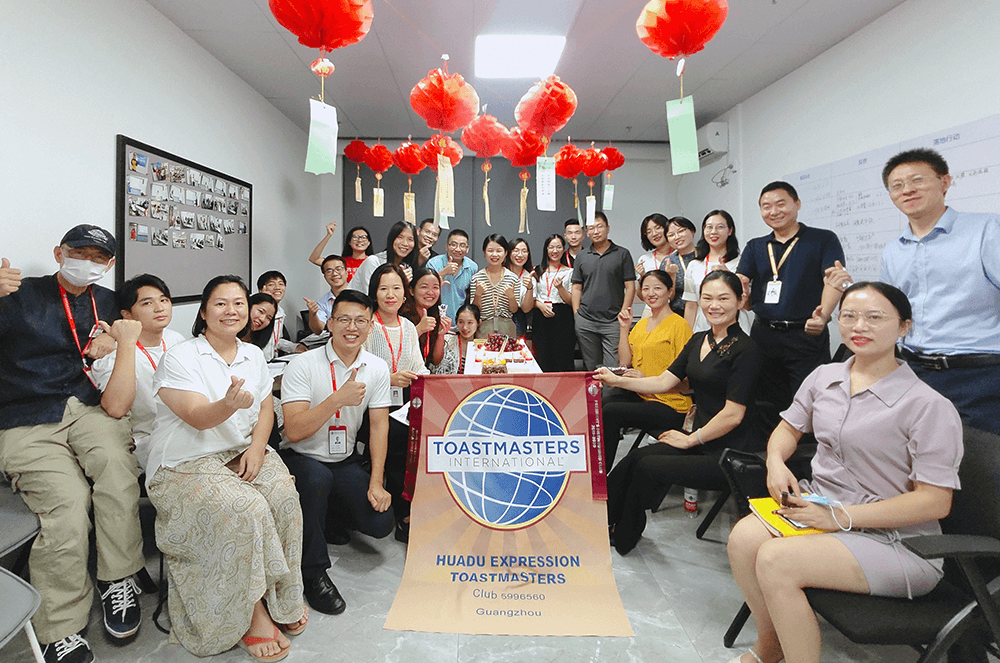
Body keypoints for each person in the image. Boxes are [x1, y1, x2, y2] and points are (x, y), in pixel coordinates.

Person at [725, 282, 962, 663]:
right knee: (742, 540)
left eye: (874, 317)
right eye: (849, 316)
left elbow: (935, 501)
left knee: (775, 560)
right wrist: (775, 462)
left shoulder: (928, 406)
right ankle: (772, 645)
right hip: (822, 508)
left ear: (904, 327)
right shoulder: (825, 377)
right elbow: (787, 429)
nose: (859, 326)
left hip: (898, 542)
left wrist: (840, 517)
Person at [0, 224, 145, 663]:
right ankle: (60, 624)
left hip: (85, 407)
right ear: (59, 252)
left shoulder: (106, 300)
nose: (88, 262)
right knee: (66, 503)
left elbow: (120, 335)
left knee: (118, 471)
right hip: (25, 416)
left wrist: (111, 338)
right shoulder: (17, 293)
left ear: (110, 265)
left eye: (98, 257)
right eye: (78, 252)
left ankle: (118, 578)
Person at [147, 275, 306, 660]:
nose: (231, 311)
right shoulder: (182, 357)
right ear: (203, 312)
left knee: (284, 495)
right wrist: (230, 405)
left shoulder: (253, 354)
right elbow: (199, 419)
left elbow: (267, 407)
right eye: (220, 303)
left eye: (238, 303)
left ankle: (283, 598)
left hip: (240, 449)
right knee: (245, 509)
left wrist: (256, 447)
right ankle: (252, 615)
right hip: (185, 459)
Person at [818, 148, 1000, 436]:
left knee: (977, 468)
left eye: (917, 180)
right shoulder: (894, 249)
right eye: (897, 186)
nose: (908, 190)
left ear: (945, 182)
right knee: (914, 458)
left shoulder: (987, 230)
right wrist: (851, 292)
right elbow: (893, 310)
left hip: (978, 375)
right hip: (915, 369)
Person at [596, 271, 761, 555]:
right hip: (698, 436)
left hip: (725, 451)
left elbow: (733, 415)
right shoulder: (699, 340)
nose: (714, 305)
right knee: (634, 459)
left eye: (723, 298)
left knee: (646, 467)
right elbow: (663, 381)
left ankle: (625, 534)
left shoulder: (746, 350)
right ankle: (601, 521)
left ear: (739, 300)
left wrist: (690, 439)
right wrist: (617, 380)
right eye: (707, 298)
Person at [280, 290, 394, 616]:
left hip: (344, 459)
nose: (351, 327)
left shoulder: (376, 367)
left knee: (380, 523)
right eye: (343, 319)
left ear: (370, 326)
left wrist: (376, 482)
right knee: (315, 480)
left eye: (360, 320)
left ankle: (327, 514)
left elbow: (379, 427)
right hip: (302, 456)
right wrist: (336, 399)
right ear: (330, 323)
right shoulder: (303, 364)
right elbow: (294, 430)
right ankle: (313, 572)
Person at [737, 182, 845, 441]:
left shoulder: (822, 239)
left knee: (809, 402)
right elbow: (742, 283)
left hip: (805, 334)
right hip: (764, 335)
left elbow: (834, 278)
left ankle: (807, 466)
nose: (773, 211)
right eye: (766, 206)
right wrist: (739, 291)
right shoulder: (755, 246)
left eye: (780, 203)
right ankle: (771, 461)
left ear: (797, 204)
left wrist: (823, 315)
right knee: (766, 401)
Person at [92, 273, 186, 473]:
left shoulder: (175, 339)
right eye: (147, 303)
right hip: (148, 440)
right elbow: (115, 408)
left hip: (185, 427)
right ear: (127, 314)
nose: (160, 308)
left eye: (164, 300)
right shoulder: (116, 355)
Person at [600, 270, 693, 465]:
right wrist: (624, 329)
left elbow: (687, 382)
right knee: (602, 403)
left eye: (657, 288)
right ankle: (596, 468)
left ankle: (602, 478)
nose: (651, 293)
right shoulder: (642, 324)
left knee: (611, 413)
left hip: (671, 404)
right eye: (646, 288)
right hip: (643, 395)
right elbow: (625, 363)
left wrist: (645, 378)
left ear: (670, 292)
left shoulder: (679, 326)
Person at [363, 263, 429, 542]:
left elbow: (419, 365)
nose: (390, 294)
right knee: (401, 441)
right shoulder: (367, 326)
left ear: (405, 295)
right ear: (374, 293)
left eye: (396, 288)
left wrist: (424, 381)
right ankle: (403, 513)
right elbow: (358, 372)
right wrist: (388, 379)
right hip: (374, 401)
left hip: (406, 399)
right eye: (383, 288)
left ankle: (416, 504)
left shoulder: (408, 327)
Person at [572, 212, 636, 370]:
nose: (595, 231)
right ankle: (594, 395)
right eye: (591, 228)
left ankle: (608, 396)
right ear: (587, 233)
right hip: (586, 321)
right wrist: (576, 314)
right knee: (592, 367)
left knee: (614, 367)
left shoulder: (622, 254)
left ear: (608, 228)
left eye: (599, 226)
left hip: (613, 321)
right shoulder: (582, 256)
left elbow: (630, 286)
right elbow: (576, 287)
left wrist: (623, 312)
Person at [683, 210, 752, 334]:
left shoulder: (742, 263)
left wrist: (731, 278)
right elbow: (691, 305)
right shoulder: (695, 265)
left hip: (736, 327)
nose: (713, 231)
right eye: (709, 227)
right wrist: (687, 336)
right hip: (702, 327)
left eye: (720, 227)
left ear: (730, 231)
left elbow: (747, 306)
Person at [531, 234, 576, 372]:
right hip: (540, 315)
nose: (554, 251)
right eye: (551, 247)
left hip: (562, 316)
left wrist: (560, 288)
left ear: (563, 249)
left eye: (558, 247)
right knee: (542, 355)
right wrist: (540, 305)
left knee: (562, 356)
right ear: (546, 249)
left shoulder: (570, 272)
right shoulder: (537, 271)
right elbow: (531, 298)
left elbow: (571, 301)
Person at [400, 266, 457, 373]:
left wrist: (440, 335)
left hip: (422, 377)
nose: (430, 292)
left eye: (435, 287)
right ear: (412, 291)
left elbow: (435, 361)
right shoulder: (402, 316)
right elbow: (397, 350)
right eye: (424, 287)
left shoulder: (434, 315)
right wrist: (419, 329)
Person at [349, 221, 419, 295]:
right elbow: (372, 296)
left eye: (410, 239)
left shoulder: (407, 268)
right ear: (392, 239)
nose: (405, 243)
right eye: (400, 237)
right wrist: (400, 281)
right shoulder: (373, 262)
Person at [471, 234, 520, 337]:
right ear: (484, 252)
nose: (494, 254)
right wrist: (478, 294)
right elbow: (475, 310)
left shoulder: (513, 278)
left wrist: (511, 296)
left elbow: (514, 310)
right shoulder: (477, 278)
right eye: (490, 250)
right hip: (484, 327)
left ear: (505, 253)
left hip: (507, 326)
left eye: (499, 251)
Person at [426, 228, 478, 320]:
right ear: (446, 246)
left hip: (461, 322)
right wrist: (444, 272)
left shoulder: (472, 267)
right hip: (436, 319)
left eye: (462, 245)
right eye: (453, 245)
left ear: (467, 249)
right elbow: (426, 287)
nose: (458, 249)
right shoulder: (433, 263)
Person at [634, 214, 673, 319]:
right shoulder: (644, 260)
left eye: (658, 228)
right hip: (650, 312)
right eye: (649, 232)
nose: (654, 234)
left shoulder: (679, 256)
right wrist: (642, 277)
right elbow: (641, 296)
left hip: (675, 310)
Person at [304, 254, 349, 335]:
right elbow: (318, 330)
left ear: (346, 272)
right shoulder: (323, 301)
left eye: (338, 269)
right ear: (324, 276)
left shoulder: (360, 294)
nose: (334, 273)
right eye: (329, 271)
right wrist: (313, 314)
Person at [662, 215, 698, 316]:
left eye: (681, 231)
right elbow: (668, 297)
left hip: (707, 312)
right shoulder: (668, 261)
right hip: (678, 315)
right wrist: (671, 276)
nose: (677, 237)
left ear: (692, 231)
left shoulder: (705, 256)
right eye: (671, 235)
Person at [257, 270, 298, 357]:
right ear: (261, 289)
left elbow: (275, 340)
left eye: (281, 284)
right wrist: (264, 300)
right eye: (271, 284)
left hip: (271, 361)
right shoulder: (252, 309)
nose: (277, 288)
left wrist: (294, 347)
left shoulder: (280, 312)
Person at [504, 237, 535, 338]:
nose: (520, 255)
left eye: (524, 251)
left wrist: (530, 288)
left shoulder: (529, 277)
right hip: (497, 319)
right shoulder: (500, 272)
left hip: (518, 322)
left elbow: (526, 309)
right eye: (516, 251)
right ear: (508, 253)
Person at [441, 303, 481, 375]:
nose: (465, 327)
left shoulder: (482, 346)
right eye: (461, 322)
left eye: (470, 323)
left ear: (478, 322)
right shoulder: (446, 341)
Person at [240, 292, 278, 358]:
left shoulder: (256, 346)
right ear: (249, 306)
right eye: (260, 311)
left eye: (268, 318)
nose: (262, 319)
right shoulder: (229, 335)